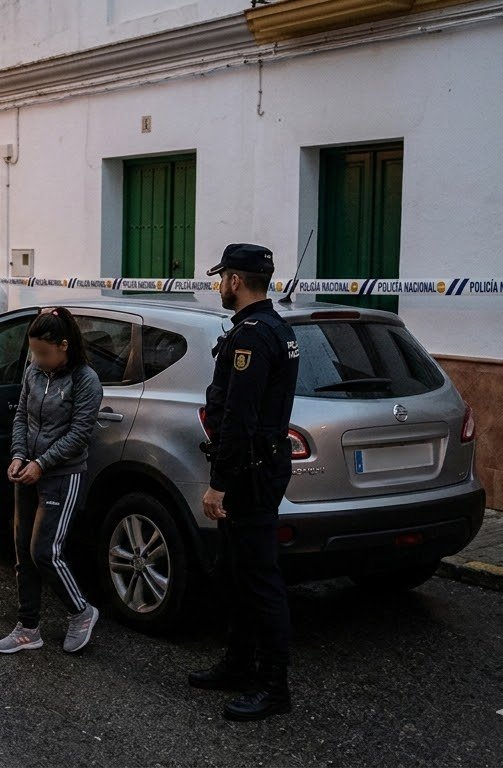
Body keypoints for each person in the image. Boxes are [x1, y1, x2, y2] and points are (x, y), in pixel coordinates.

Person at [189, 243, 300, 722]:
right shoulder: (276, 327)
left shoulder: (253, 336)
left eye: (222, 278)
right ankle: (237, 665)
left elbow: (240, 417)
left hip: (251, 472)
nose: (219, 286)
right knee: (236, 571)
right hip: (259, 466)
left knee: (259, 580)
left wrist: (220, 483)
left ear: (235, 281)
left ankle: (274, 688)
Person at [0, 307, 103, 655]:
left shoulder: (86, 380)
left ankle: (81, 611)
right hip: (28, 469)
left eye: (44, 353)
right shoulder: (33, 372)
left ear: (65, 346)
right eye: (34, 352)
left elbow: (79, 434)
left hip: (62, 473)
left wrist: (41, 463)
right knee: (22, 553)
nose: (37, 359)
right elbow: (22, 418)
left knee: (45, 552)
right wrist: (17, 455)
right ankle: (28, 628)